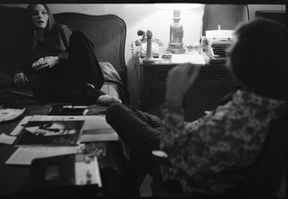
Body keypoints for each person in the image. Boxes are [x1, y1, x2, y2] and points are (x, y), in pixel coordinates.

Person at [105, 18, 286, 196]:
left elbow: (179, 155)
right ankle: (128, 187)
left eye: (236, 46)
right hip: (187, 142)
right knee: (137, 115)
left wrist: (174, 98)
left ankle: (123, 185)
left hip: (174, 161)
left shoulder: (242, 118)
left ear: (249, 62)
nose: (230, 50)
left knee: (115, 111)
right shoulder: (264, 103)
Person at [13, 3, 121, 105]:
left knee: (78, 36)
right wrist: (20, 74)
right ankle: (96, 97)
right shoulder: (25, 41)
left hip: (73, 72)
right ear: (29, 17)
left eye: (43, 13)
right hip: (51, 79)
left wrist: (57, 59)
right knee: (40, 88)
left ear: (48, 16)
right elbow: (22, 65)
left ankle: (89, 86)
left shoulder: (60, 30)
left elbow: (78, 52)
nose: (40, 16)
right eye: (35, 13)